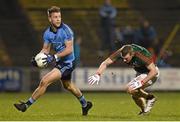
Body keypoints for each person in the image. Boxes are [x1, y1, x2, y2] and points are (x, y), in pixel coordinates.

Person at [14, 6, 92, 116]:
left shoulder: (66, 30)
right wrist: (38, 58)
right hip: (60, 61)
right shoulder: (47, 33)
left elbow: (69, 49)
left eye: (59, 16)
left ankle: (26, 105)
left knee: (44, 81)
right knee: (68, 86)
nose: (58, 19)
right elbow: (45, 49)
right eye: (55, 17)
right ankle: (85, 104)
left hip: (69, 62)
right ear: (50, 19)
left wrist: (54, 57)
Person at [88, 44, 159, 115]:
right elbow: (105, 63)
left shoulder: (141, 55)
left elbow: (154, 71)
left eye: (126, 58)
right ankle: (144, 111)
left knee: (129, 88)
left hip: (150, 74)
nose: (124, 60)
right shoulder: (121, 51)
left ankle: (150, 98)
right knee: (134, 94)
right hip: (141, 73)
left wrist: (142, 82)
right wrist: (98, 74)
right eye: (123, 58)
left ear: (132, 54)